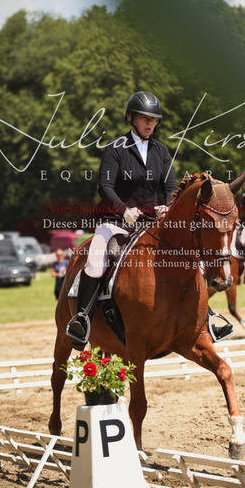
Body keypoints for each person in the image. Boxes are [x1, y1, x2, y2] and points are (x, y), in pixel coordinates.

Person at [66, 91, 178, 350]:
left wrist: (168, 206)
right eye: (144, 118)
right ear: (131, 118)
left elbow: (171, 188)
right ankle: (82, 319)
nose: (150, 123)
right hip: (115, 220)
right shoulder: (116, 148)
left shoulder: (161, 151)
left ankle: (204, 315)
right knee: (96, 260)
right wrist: (123, 209)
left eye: (153, 119)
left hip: (149, 224)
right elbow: (104, 186)